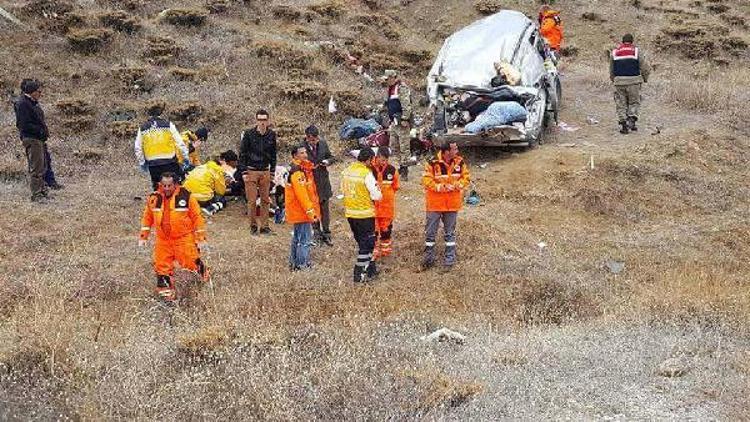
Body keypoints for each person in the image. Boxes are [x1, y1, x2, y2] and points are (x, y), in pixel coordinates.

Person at [138, 172, 209, 302]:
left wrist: (201, 238)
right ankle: (167, 295)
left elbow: (197, 217)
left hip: (183, 238)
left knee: (191, 262)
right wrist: (143, 237)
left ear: (175, 184)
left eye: (169, 185)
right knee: (162, 266)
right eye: (163, 185)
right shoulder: (153, 198)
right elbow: (147, 217)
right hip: (163, 240)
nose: (166, 188)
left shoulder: (186, 196)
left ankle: (204, 275)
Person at [421, 141, 470, 271]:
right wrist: (440, 187)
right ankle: (428, 259)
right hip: (435, 204)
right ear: (447, 151)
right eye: (455, 149)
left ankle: (449, 260)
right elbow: (426, 180)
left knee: (450, 233)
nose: (457, 150)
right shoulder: (432, 162)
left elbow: (466, 178)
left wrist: (458, 185)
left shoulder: (460, 162)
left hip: (452, 204)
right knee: (430, 233)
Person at [14, 79, 60, 202]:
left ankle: (43, 191)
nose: (40, 93)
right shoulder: (23, 104)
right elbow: (23, 125)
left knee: (43, 165)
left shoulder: (32, 102)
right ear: (32, 92)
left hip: (38, 139)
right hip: (32, 139)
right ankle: (36, 195)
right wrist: (39, 131)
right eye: (38, 91)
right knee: (36, 168)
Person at [341, 147, 382, 283]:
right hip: (364, 214)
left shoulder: (347, 171)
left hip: (350, 214)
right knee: (368, 245)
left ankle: (371, 270)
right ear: (369, 159)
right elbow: (377, 195)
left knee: (361, 243)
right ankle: (359, 275)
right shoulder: (366, 174)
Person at [134, 102, 189, 190]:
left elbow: (138, 148)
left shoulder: (143, 128)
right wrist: (185, 158)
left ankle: (158, 203)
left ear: (149, 115)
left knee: (158, 188)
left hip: (153, 164)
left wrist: (142, 163)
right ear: (161, 114)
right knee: (175, 186)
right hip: (170, 162)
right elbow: (180, 143)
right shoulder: (168, 125)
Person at [239, 109, 277, 235]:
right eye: (260, 120)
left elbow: (273, 154)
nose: (262, 122)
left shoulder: (271, 135)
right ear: (256, 120)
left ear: (268, 121)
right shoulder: (249, 134)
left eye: (264, 120)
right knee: (252, 200)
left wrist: (272, 172)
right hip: (251, 170)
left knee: (266, 200)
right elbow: (242, 154)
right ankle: (253, 226)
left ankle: (265, 226)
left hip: (265, 170)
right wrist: (244, 171)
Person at [285, 145, 320, 271]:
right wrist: (311, 212)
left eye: (305, 152)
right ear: (295, 156)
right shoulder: (297, 172)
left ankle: (294, 262)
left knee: (297, 237)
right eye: (301, 153)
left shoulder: (300, 169)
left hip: (299, 210)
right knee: (304, 239)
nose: (305, 155)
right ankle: (301, 265)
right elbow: (302, 195)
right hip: (301, 211)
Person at [610, 33, 651, 134]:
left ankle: (624, 124)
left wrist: (614, 80)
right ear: (632, 41)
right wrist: (645, 78)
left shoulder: (614, 52)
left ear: (622, 41)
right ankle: (631, 121)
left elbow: (611, 70)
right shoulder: (637, 51)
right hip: (634, 81)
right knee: (634, 102)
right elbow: (645, 67)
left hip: (619, 82)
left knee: (621, 103)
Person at [303, 125, 335, 246]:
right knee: (313, 209)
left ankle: (327, 233)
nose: (315, 141)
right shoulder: (302, 148)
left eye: (316, 139)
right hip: (310, 183)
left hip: (323, 181)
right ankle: (316, 232)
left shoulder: (323, 144)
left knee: (325, 209)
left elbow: (331, 157)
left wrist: (327, 162)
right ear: (307, 138)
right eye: (312, 139)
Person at [183, 150, 238, 216]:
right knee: (222, 200)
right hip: (202, 197)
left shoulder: (203, 167)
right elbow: (220, 192)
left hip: (187, 196)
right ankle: (210, 208)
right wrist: (227, 186)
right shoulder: (218, 171)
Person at [381, 69, 413, 181]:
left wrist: (405, 118)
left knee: (404, 147)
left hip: (402, 122)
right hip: (394, 122)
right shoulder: (390, 89)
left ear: (393, 77)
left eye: (388, 79)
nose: (386, 81)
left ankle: (405, 171)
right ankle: (400, 166)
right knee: (394, 146)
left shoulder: (401, 88)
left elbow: (406, 105)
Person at [371, 147, 400, 260]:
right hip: (372, 207)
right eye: (382, 160)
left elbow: (395, 186)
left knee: (386, 230)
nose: (384, 162)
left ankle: (385, 252)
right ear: (376, 157)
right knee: (373, 231)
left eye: (386, 160)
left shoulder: (392, 170)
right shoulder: (369, 169)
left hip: (386, 207)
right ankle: (374, 252)